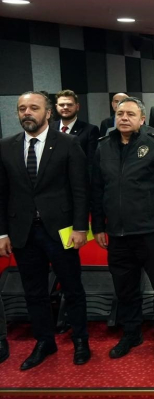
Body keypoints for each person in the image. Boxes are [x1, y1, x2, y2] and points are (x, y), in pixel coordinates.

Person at [0, 92, 90, 370]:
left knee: (72, 288)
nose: (27, 112)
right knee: (34, 291)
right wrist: (2, 233)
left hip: (61, 230)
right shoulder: (6, 146)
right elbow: (1, 194)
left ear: (48, 113)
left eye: (33, 108)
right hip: (23, 232)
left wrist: (80, 228)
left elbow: (80, 189)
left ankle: (80, 340)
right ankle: (44, 341)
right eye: (22, 108)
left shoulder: (68, 143)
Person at [92, 96, 154, 360]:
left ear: (142, 119)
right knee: (125, 289)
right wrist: (98, 226)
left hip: (151, 232)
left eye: (130, 114)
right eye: (120, 114)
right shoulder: (103, 147)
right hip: (117, 234)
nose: (124, 118)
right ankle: (131, 333)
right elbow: (97, 189)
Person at [53, 89, 100, 169]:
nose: (65, 107)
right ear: (56, 107)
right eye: (61, 105)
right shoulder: (49, 128)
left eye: (69, 104)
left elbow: (91, 162)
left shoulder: (90, 130)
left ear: (77, 107)